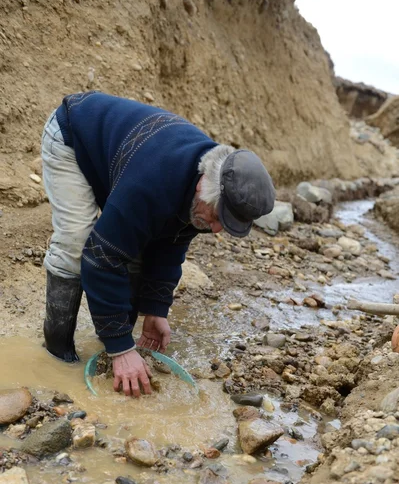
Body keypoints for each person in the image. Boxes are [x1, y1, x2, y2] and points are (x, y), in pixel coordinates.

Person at [41, 91, 275, 397]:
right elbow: (101, 259)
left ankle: (110, 347)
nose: (217, 229)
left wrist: (156, 310)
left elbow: (169, 246)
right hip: (73, 137)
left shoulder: (206, 194)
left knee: (137, 246)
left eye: (227, 225)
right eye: (219, 218)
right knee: (77, 245)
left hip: (125, 160)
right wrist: (122, 348)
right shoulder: (154, 182)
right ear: (203, 186)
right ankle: (57, 352)